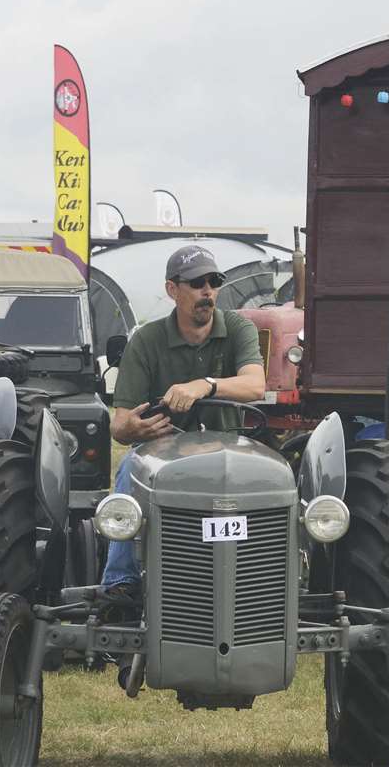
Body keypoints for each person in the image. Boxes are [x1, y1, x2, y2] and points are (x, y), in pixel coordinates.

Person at [100, 245, 267, 596]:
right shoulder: (146, 340)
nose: (208, 290)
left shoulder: (238, 328)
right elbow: (120, 425)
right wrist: (135, 429)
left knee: (271, 482)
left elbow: (255, 384)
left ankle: (266, 580)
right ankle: (120, 582)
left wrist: (204, 385)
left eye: (214, 281)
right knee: (131, 465)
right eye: (196, 283)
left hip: (229, 449)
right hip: (161, 453)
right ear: (172, 290)